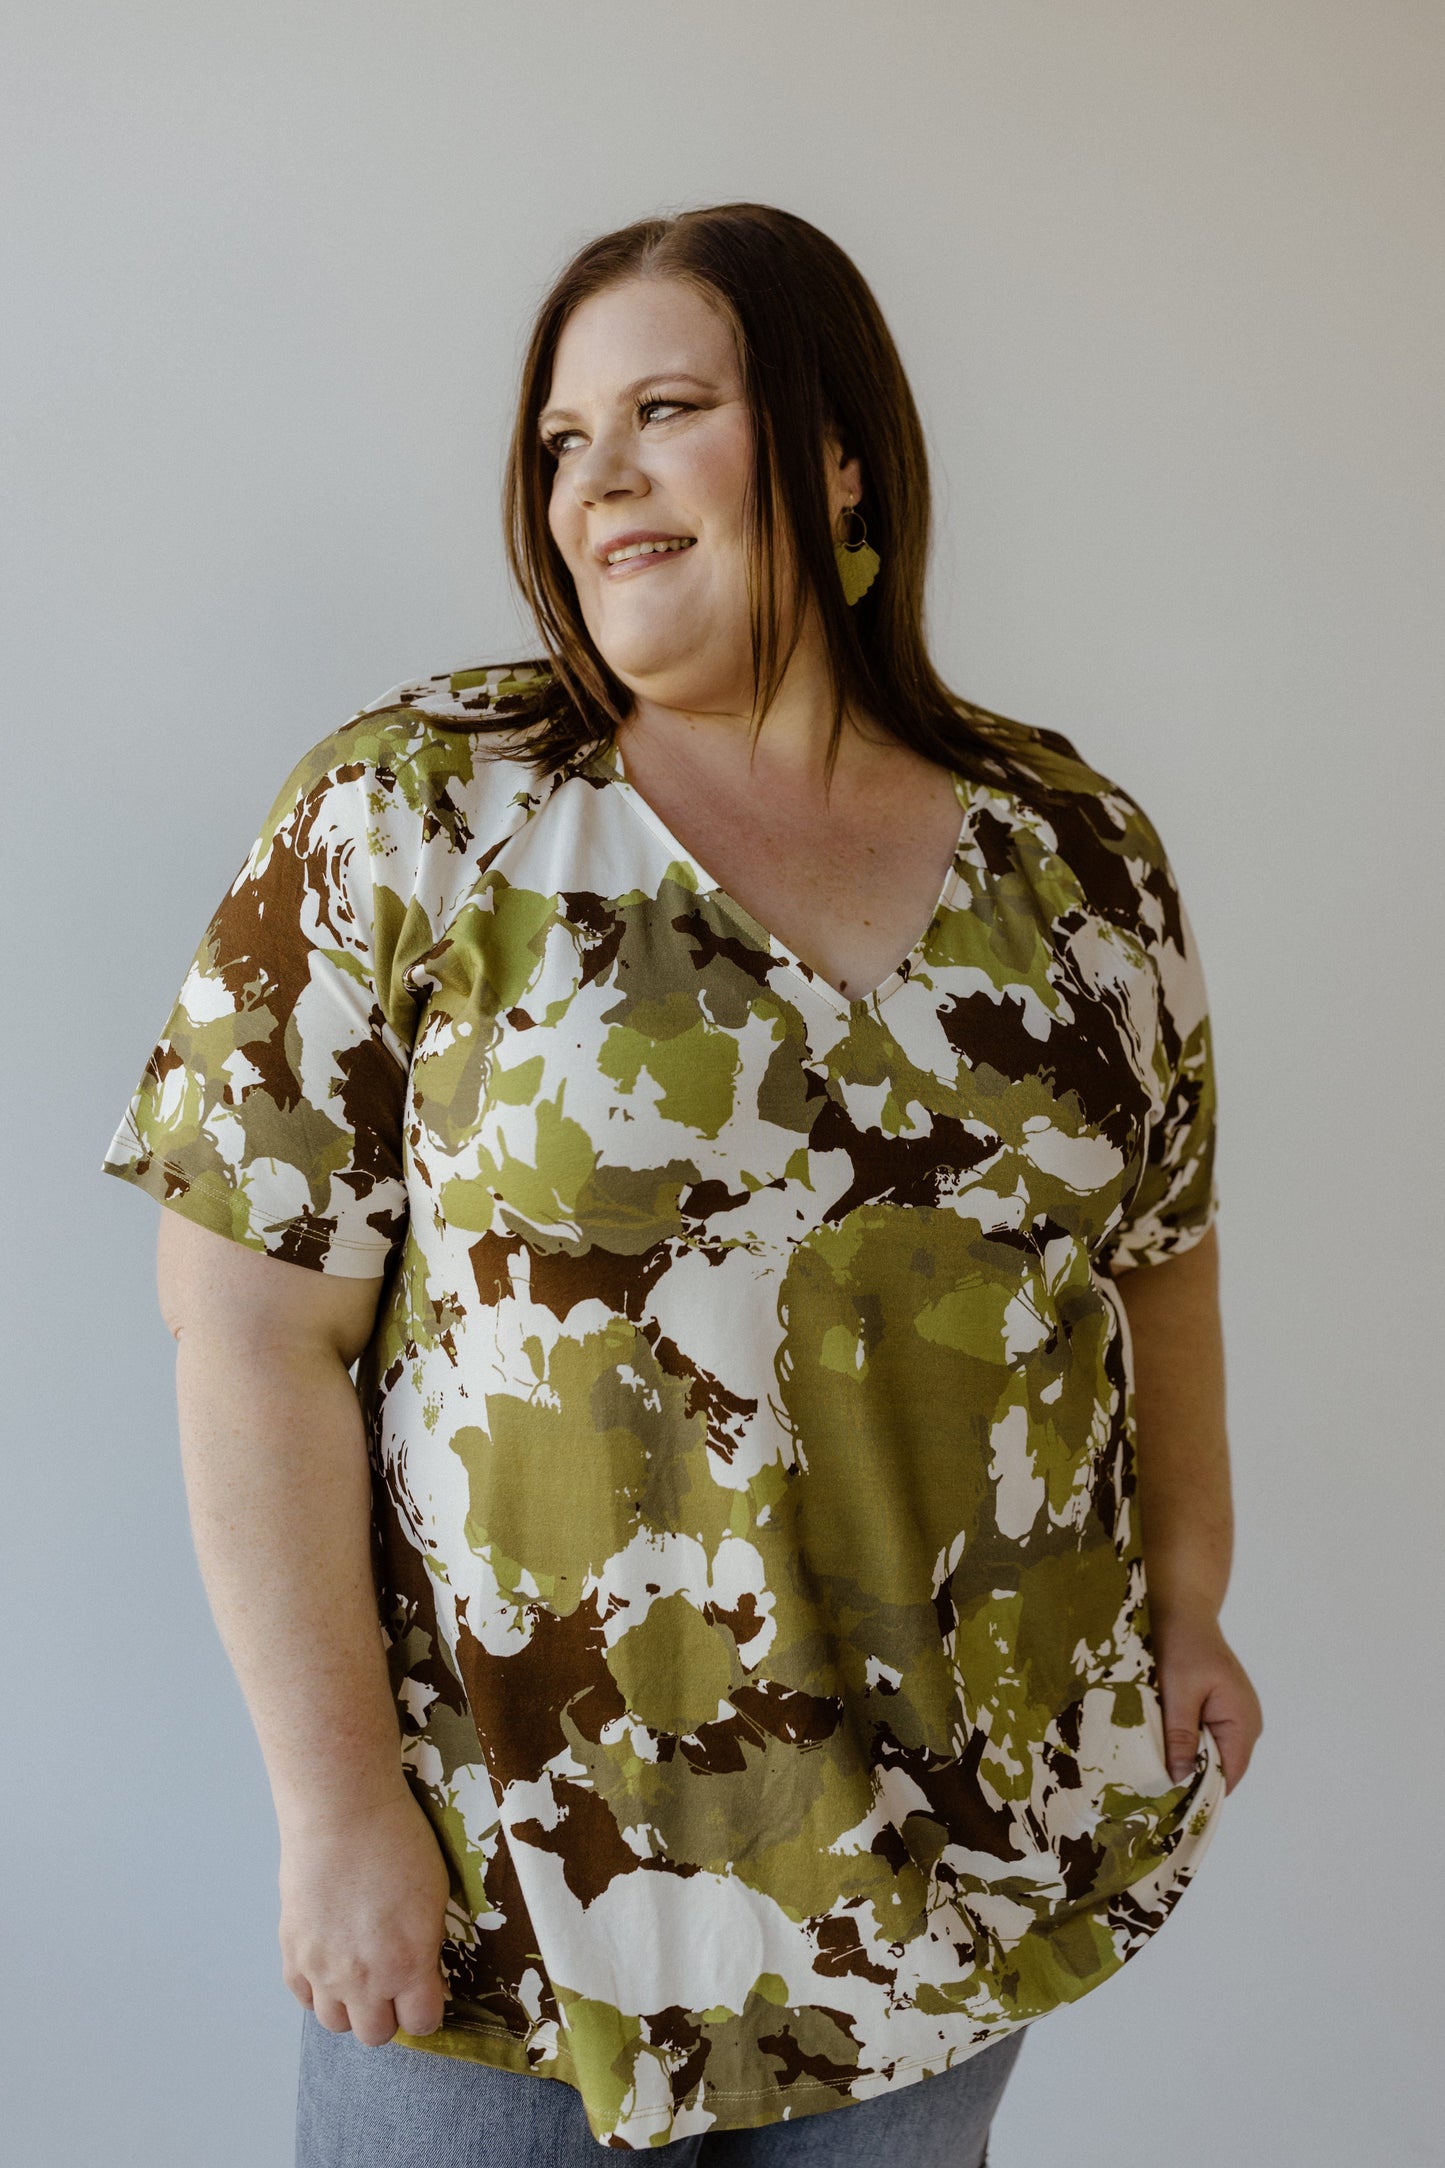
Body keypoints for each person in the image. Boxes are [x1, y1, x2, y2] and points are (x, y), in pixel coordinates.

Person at [103, 201, 1262, 2165]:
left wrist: (1191, 1593)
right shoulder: (417, 814)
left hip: (951, 1876)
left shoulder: (1080, 863)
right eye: (563, 439)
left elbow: (1157, 1255)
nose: (599, 478)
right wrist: (338, 1812)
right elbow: (241, 1327)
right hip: (504, 1899)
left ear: (834, 451)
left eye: (665, 407)